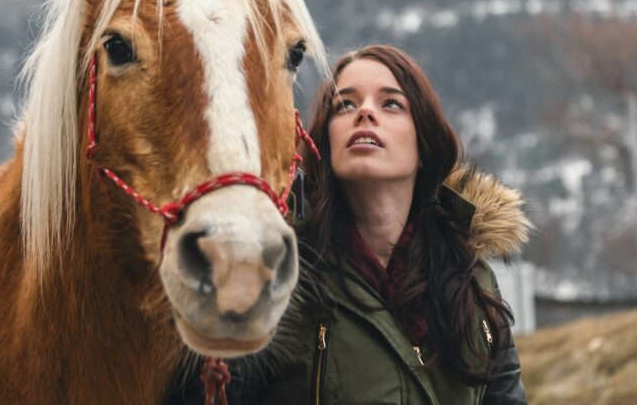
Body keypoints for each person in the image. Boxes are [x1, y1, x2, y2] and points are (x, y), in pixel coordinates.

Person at [168, 45, 530, 404]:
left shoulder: (471, 279)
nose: (365, 112)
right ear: (325, 143)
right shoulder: (278, 274)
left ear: (424, 144)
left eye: (390, 103)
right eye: (345, 105)